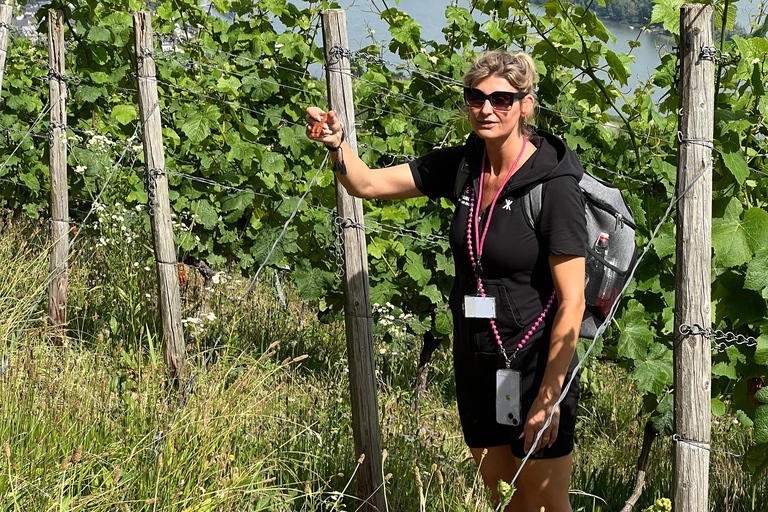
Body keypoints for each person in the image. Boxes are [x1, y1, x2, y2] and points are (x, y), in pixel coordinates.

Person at [306, 50, 586, 512]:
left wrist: (548, 397)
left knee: (544, 502)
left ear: (526, 105)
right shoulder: (463, 166)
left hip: (535, 364)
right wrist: (337, 144)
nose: (487, 109)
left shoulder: (552, 186)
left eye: (502, 99)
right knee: (500, 491)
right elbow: (368, 185)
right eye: (476, 97)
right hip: (479, 358)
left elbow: (572, 300)